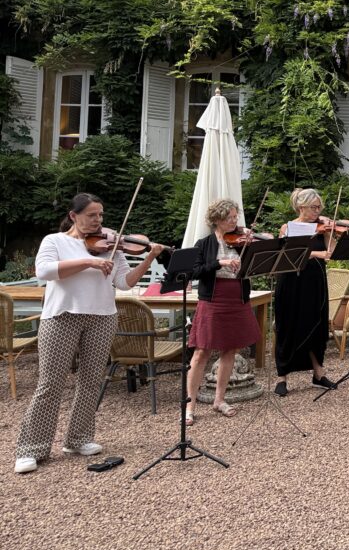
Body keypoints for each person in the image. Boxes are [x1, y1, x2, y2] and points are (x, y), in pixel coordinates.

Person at [15, 193, 164, 474]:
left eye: (101, 215)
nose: (98, 221)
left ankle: (78, 439)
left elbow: (125, 283)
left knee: (91, 381)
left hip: (102, 317)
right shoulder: (55, 241)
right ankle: (31, 449)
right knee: (50, 384)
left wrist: (149, 258)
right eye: (92, 215)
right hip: (61, 316)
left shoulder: (111, 246)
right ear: (74, 216)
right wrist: (88, 262)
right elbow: (44, 271)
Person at [186, 198, 261, 424]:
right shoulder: (204, 243)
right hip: (213, 299)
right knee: (202, 351)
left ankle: (219, 399)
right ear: (217, 220)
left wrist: (253, 248)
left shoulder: (242, 241)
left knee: (230, 349)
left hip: (237, 297)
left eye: (235, 217)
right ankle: (190, 405)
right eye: (229, 218)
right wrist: (220, 263)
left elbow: (255, 266)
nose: (234, 221)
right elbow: (195, 271)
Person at [272, 188, 349, 397]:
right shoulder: (288, 227)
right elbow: (287, 254)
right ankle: (282, 377)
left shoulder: (321, 228)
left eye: (319, 207)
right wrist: (317, 253)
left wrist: (329, 233)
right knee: (287, 326)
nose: (318, 211)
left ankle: (318, 373)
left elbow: (332, 253)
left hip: (314, 282)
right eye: (314, 207)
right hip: (290, 282)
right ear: (301, 207)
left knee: (316, 327)